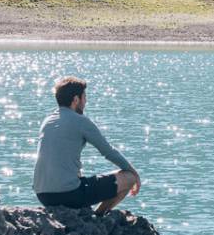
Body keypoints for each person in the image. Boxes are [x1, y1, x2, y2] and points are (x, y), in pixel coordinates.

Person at [33, 76, 140, 213]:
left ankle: (85, 213)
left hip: (43, 195)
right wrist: (135, 174)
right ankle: (98, 217)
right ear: (76, 100)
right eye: (84, 97)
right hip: (69, 195)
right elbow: (108, 152)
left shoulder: (47, 121)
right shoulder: (81, 121)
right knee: (128, 178)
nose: (86, 101)